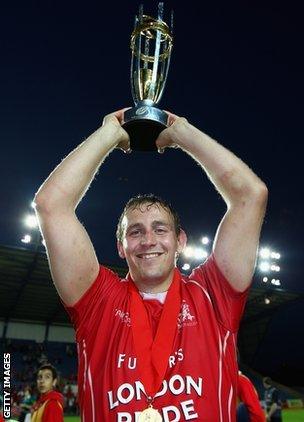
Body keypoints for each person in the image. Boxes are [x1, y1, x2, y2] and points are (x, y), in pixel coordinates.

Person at [34, 109, 268, 421]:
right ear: (121, 246)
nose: (148, 240)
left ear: (180, 241)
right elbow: (50, 205)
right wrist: (109, 135)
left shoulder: (214, 295)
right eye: (135, 231)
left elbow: (251, 196)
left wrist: (183, 134)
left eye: (160, 229)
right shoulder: (98, 301)